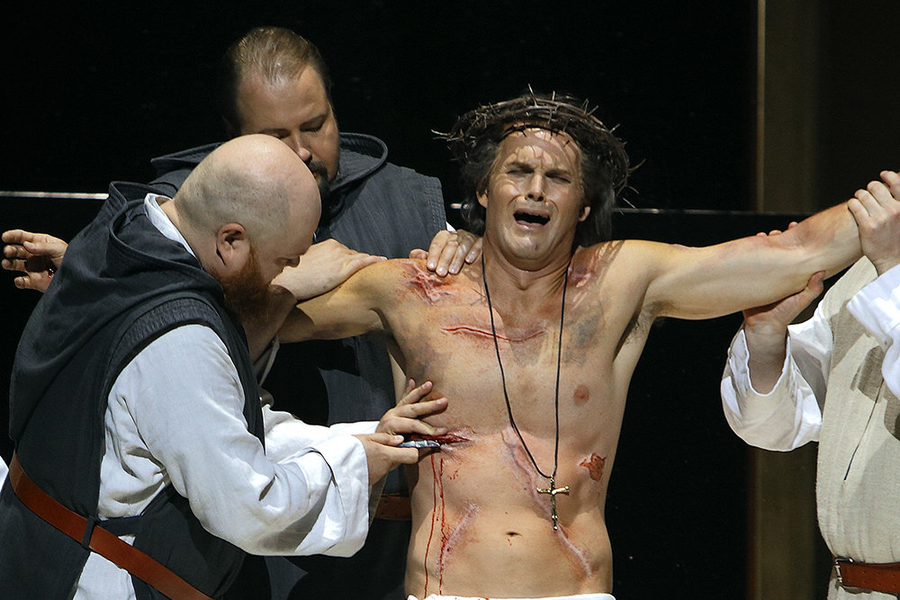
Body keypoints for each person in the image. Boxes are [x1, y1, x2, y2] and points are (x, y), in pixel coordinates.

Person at [270, 91, 898, 600]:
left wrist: (893, 206)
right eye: (517, 172)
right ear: (484, 191)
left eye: (557, 178)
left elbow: (792, 251)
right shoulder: (412, 288)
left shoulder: (622, 281)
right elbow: (249, 326)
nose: (535, 190)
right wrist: (300, 275)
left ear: (583, 205)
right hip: (444, 592)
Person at [2, 26, 476, 599]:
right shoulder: (179, 332)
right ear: (230, 240)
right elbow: (249, 503)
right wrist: (358, 457)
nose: (286, 274)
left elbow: (221, 420)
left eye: (315, 124)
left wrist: (364, 440)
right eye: (282, 263)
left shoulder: (132, 231)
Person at [721, 174, 900, 598]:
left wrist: (893, 270)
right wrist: (767, 334)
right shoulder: (867, 266)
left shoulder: (885, 259)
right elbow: (773, 427)